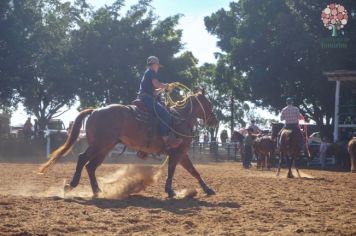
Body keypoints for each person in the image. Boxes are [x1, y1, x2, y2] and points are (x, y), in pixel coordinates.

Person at [137, 56, 182, 149]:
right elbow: (156, 84)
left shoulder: (148, 73)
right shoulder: (151, 72)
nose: (158, 68)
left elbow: (155, 91)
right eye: (157, 65)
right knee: (166, 115)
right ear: (154, 64)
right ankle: (165, 138)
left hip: (146, 97)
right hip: (147, 98)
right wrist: (166, 86)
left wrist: (165, 87)